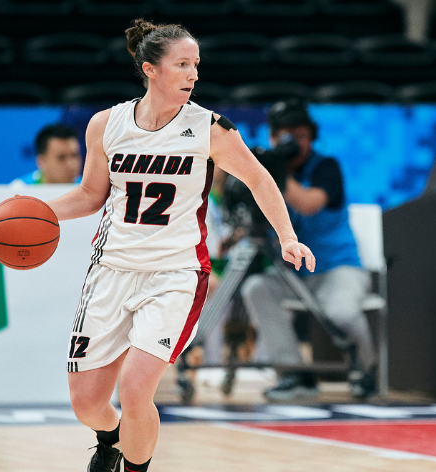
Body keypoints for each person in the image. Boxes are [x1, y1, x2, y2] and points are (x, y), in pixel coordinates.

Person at [45, 18, 315, 472]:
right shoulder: (105, 125)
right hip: (111, 271)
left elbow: (259, 178)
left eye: (196, 65)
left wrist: (288, 236)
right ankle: (110, 439)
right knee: (87, 402)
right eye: (182, 64)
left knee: (135, 390)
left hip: (176, 274)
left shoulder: (210, 129)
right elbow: (91, 196)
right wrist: (37, 212)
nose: (193, 74)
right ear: (150, 69)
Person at [240, 99, 376, 401]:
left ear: (312, 136)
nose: (293, 143)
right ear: (273, 138)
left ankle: (367, 370)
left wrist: (274, 174)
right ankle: (295, 375)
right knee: (257, 289)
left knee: (340, 312)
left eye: (299, 135)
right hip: (293, 275)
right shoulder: (265, 174)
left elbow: (309, 204)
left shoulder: (326, 167)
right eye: (286, 136)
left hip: (338, 269)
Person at [11, 123, 82, 185]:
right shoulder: (20, 190)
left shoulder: (91, 191)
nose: (70, 164)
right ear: (41, 161)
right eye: (61, 158)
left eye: (74, 155)